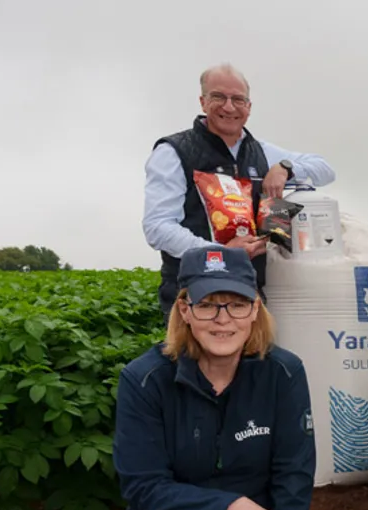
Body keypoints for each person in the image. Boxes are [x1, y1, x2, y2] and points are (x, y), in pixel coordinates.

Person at [112, 246, 316, 510]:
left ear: (255, 309)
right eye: (207, 304)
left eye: (237, 304)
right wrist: (231, 507)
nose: (223, 319)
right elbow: (142, 486)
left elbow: (293, 478)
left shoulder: (283, 373)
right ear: (184, 309)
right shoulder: (144, 379)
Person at [143, 63, 337, 320]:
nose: (229, 107)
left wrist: (285, 169)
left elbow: (325, 169)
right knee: (198, 360)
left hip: (249, 289)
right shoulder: (173, 151)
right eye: (218, 97)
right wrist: (220, 253)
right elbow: (158, 227)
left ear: (249, 107)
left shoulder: (262, 152)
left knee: (254, 359)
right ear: (202, 102)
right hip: (194, 292)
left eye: (238, 99)